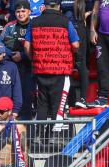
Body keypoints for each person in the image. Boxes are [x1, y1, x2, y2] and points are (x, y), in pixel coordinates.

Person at [28, 0, 79, 134]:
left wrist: (34, 58)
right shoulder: (65, 21)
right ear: (58, 6)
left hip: (40, 69)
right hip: (60, 70)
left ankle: (39, 135)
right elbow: (76, 45)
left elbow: (27, 46)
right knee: (57, 104)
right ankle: (52, 135)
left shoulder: (34, 22)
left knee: (42, 103)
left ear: (43, 6)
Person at [0, 0, 35, 117]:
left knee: (27, 97)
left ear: (29, 12)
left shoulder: (35, 25)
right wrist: (11, 55)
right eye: (18, 11)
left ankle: (26, 125)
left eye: (23, 11)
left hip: (30, 67)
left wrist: (23, 55)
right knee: (12, 96)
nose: (21, 14)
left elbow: (39, 46)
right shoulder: (9, 26)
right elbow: (0, 45)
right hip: (12, 66)